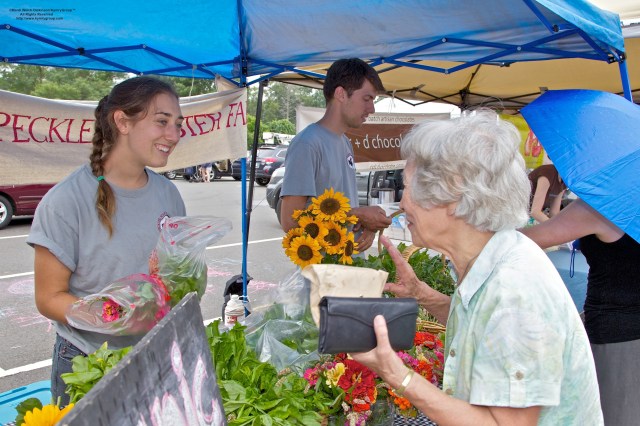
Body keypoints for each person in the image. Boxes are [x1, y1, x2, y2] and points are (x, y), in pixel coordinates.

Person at [351, 111, 603, 425]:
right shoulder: (499, 254)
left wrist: (396, 375)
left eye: (408, 189)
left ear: (453, 195)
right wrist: (422, 295)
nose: (402, 204)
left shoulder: (514, 291)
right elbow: (483, 328)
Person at [27, 76, 186, 406]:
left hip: (152, 354)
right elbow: (48, 297)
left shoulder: (169, 194)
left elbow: (175, 274)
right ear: (122, 121)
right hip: (87, 361)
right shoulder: (65, 201)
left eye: (177, 124)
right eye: (162, 121)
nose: (173, 135)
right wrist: (112, 316)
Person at [521, 199, 640, 425]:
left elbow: (522, 240)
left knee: (612, 415)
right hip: (617, 327)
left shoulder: (605, 204)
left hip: (618, 337)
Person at [280, 58, 391, 251]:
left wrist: (365, 222)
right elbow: (290, 221)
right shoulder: (307, 144)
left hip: (348, 267)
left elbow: (344, 207)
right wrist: (358, 214)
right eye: (367, 99)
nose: (371, 109)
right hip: (324, 275)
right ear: (340, 94)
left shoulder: (344, 142)